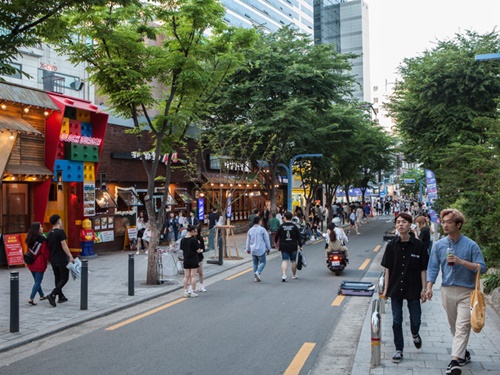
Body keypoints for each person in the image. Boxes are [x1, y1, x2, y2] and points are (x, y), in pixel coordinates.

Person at [426, 209, 486, 375]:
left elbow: (482, 267)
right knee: (455, 327)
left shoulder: (471, 245)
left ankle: (454, 362)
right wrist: (429, 287)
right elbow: (433, 267)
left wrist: (461, 261)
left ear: (458, 225)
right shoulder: (439, 245)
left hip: (467, 291)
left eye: (449, 222)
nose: (445, 225)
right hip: (447, 290)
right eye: (443, 222)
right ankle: (463, 353)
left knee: (462, 326)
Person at [381, 213, 429, 364]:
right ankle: (398, 350)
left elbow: (423, 269)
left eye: (404, 222)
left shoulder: (418, 246)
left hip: (414, 288)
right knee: (396, 320)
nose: (400, 224)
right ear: (396, 226)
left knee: (415, 319)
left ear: (410, 225)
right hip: (395, 288)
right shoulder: (391, 246)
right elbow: (387, 269)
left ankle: (415, 334)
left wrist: (424, 289)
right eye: (398, 222)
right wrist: (386, 289)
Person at [46, 214, 75, 307]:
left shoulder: (49, 233)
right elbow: (64, 245)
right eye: (61, 220)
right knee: (64, 278)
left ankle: (61, 296)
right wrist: (70, 256)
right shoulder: (61, 232)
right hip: (61, 258)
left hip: (53, 259)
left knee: (57, 278)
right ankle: (53, 294)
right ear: (58, 221)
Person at [25, 222, 50, 305]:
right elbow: (45, 252)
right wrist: (50, 259)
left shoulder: (29, 238)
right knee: (38, 281)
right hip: (40, 263)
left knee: (36, 280)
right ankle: (31, 298)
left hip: (30, 262)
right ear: (37, 229)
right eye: (41, 227)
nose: (42, 228)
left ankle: (42, 295)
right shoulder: (43, 240)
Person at [275, 212, 302, 282]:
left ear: (285, 218)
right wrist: (300, 245)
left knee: (285, 260)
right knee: (293, 261)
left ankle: (284, 275)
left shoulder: (281, 226)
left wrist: (276, 243)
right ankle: (294, 275)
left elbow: (276, 236)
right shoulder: (294, 226)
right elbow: (299, 237)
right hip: (293, 245)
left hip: (284, 246)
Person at [245, 216, 272, 282]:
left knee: (255, 263)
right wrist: (269, 248)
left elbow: (248, 240)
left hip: (253, 249)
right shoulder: (262, 230)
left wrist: (247, 249)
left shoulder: (250, 230)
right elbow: (266, 239)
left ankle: (255, 277)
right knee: (263, 262)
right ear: (259, 221)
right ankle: (258, 272)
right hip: (261, 248)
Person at [180, 225, 202, 298]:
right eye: (194, 231)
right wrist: (201, 250)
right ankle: (192, 291)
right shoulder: (193, 240)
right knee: (193, 276)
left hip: (186, 259)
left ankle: (185, 291)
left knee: (186, 276)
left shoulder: (182, 240)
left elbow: (182, 249)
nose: (195, 233)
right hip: (193, 259)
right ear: (192, 231)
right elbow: (198, 250)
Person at [194, 227, 207, 293]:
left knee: (200, 272)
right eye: (194, 231)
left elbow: (203, 248)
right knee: (193, 274)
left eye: (196, 231)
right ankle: (192, 287)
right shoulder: (191, 239)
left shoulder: (200, 238)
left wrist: (200, 250)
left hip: (199, 257)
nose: (195, 233)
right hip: (193, 257)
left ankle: (201, 285)